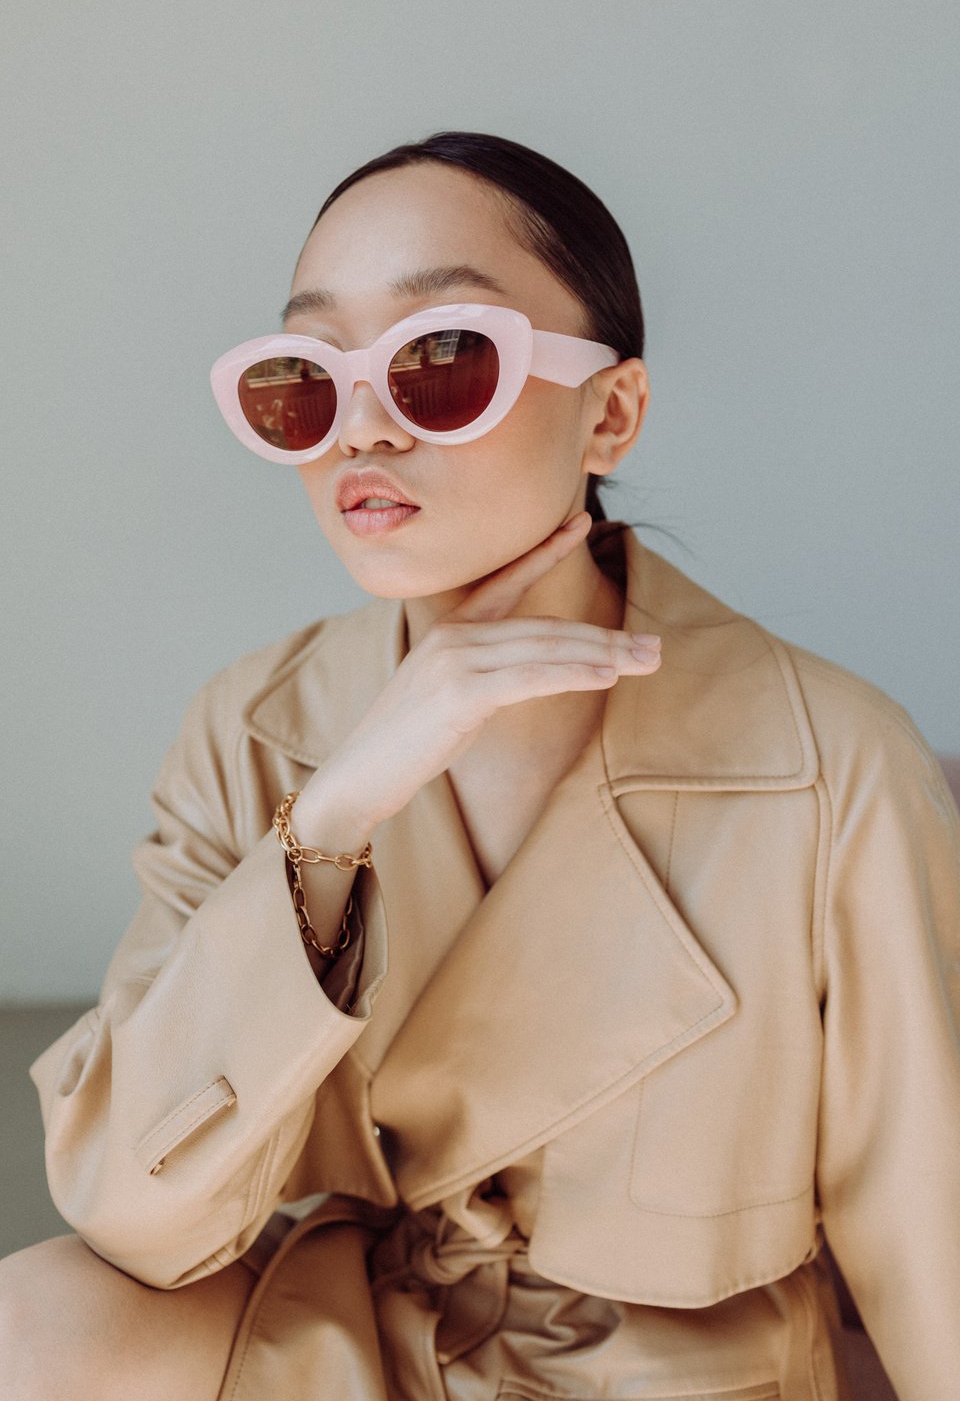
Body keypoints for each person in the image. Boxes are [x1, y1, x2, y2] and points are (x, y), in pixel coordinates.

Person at [1, 131, 957, 1401]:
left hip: (676, 1379)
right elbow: (129, 1208)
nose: (361, 429)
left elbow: (929, 1223)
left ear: (608, 412)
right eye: (305, 378)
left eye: (442, 358)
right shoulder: (254, 724)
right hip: (353, 1346)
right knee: (38, 1322)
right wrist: (343, 803)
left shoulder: (831, 758)